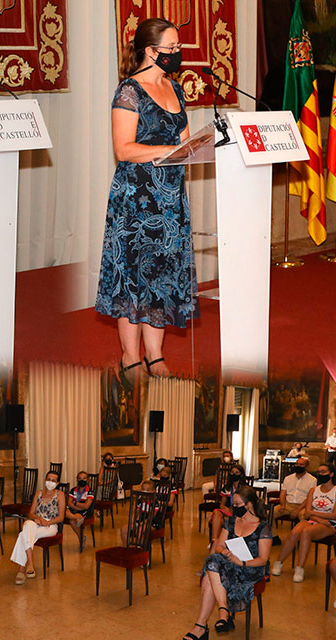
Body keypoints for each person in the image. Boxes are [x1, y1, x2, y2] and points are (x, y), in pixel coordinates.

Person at [95, 18, 199, 379]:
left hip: (170, 199)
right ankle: (130, 357)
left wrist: (197, 146)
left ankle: (155, 355)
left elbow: (184, 142)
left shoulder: (176, 89)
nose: (177, 54)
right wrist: (171, 149)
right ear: (149, 51)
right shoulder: (129, 91)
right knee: (132, 280)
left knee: (162, 278)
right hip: (137, 199)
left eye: (178, 47)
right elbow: (123, 149)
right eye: (170, 49)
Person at [183, 486, 272, 640]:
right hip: (229, 564)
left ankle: (202, 626)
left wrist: (241, 562)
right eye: (234, 503)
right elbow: (218, 546)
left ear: (249, 504)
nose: (234, 507)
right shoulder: (231, 521)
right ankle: (221, 613)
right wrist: (226, 553)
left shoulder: (262, 527)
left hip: (250, 569)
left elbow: (263, 560)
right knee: (214, 560)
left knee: (210, 574)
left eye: (238, 504)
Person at [271, 465, 336, 583]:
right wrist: (318, 518)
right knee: (295, 532)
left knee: (306, 532)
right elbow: (306, 512)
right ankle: (278, 563)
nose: (320, 474)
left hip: (330, 524)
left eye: (323, 471)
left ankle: (300, 568)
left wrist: (312, 513)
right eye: (319, 471)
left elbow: (334, 515)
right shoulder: (313, 490)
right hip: (316, 520)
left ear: (331, 474)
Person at [10, 470, 66, 585]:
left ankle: (22, 568)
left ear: (57, 483)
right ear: (45, 480)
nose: (50, 482)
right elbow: (31, 513)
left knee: (23, 534)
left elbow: (61, 517)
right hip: (36, 523)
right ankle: (30, 564)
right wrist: (39, 519)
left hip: (51, 526)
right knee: (28, 525)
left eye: (53, 480)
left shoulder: (60, 495)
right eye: (48, 479)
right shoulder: (38, 493)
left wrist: (48, 522)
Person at [209, 464, 246, 545]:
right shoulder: (227, 487)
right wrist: (226, 509)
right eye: (232, 472)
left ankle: (216, 542)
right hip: (228, 512)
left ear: (241, 474)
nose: (234, 474)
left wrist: (232, 511)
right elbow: (222, 504)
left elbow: (247, 507)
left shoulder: (245, 488)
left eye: (237, 472)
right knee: (217, 513)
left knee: (222, 519)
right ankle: (215, 540)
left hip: (241, 513)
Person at [273, 457, 314, 524]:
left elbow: (309, 498)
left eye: (301, 464)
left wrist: (298, 510)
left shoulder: (312, 480)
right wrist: (282, 505)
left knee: (303, 516)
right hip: (288, 505)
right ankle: (274, 534)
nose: (298, 466)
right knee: (270, 514)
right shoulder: (288, 478)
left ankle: (301, 534)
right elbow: (283, 493)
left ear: (306, 467)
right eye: (297, 464)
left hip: (302, 506)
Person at [65, 471, 94, 546]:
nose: (82, 480)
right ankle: (77, 517)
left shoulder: (89, 491)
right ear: (77, 480)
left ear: (87, 480)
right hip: (73, 510)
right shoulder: (73, 490)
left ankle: (81, 538)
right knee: (63, 511)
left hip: (84, 511)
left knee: (72, 521)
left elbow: (86, 506)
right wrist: (79, 506)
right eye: (80, 478)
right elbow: (69, 503)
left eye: (84, 478)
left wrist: (75, 503)